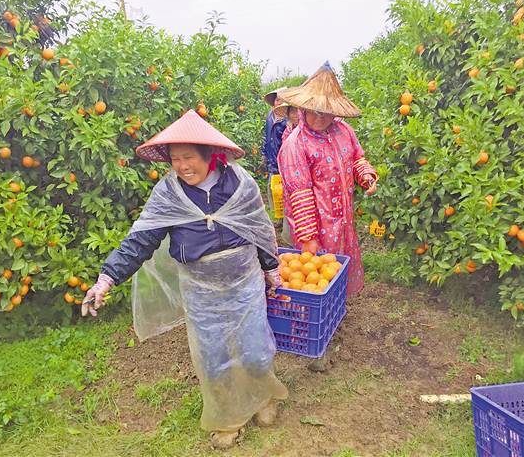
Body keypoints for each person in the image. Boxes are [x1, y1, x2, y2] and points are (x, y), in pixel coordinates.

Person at [81, 109, 288, 450]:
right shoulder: (169, 194)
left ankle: (263, 398)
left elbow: (259, 228)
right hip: (201, 290)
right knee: (213, 358)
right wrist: (106, 279)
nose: (181, 166)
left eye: (189, 157)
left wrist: (271, 266)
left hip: (244, 284)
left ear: (209, 156)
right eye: (175, 159)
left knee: (254, 351)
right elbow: (141, 240)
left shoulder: (239, 184)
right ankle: (227, 418)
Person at [277, 61, 378, 308]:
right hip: (317, 224)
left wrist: (365, 176)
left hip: (343, 218)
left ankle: (336, 308)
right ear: (303, 108)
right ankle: (320, 316)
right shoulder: (296, 144)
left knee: (338, 268)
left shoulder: (344, 131)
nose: (319, 117)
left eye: (325, 111)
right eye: (314, 110)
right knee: (317, 275)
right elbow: (299, 193)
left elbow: (356, 158)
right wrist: (309, 236)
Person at [261, 87, 287, 219]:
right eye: (277, 100)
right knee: (273, 190)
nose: (279, 103)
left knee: (284, 191)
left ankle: (285, 219)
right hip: (272, 160)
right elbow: (266, 136)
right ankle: (278, 217)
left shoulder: (288, 120)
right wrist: (264, 154)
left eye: (282, 100)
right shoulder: (270, 116)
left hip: (284, 162)